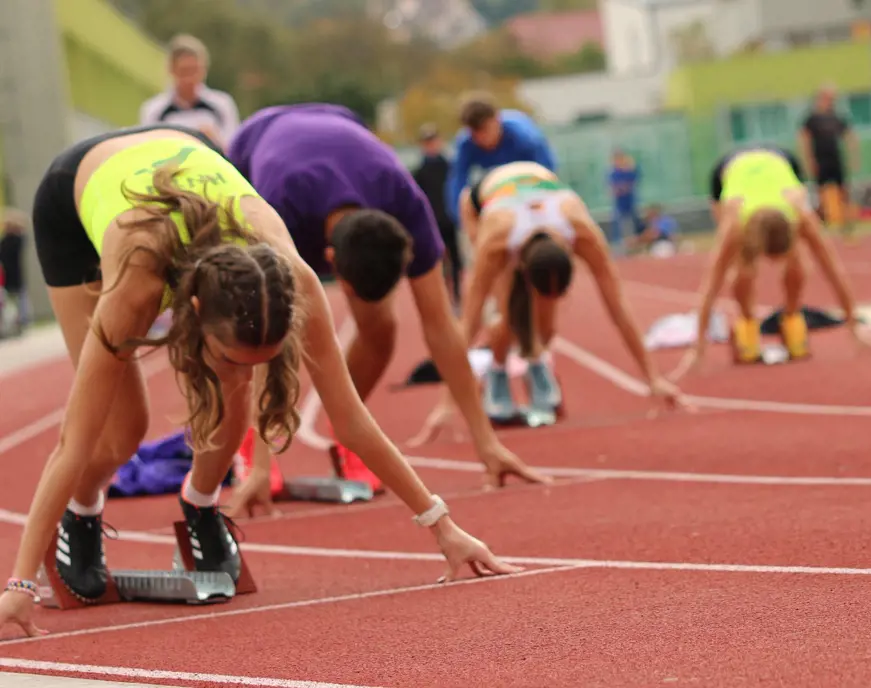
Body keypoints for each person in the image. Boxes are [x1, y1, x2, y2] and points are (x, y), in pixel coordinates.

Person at [0, 124, 520, 639]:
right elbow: (73, 441)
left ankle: (201, 504)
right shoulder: (137, 282)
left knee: (233, 396)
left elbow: (352, 420)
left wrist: (443, 526)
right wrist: (20, 583)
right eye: (236, 353)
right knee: (120, 429)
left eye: (263, 358)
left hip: (179, 148)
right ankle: (82, 514)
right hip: (74, 196)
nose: (247, 369)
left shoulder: (294, 278)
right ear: (196, 310)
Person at [224, 103, 545, 510]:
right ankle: (249, 448)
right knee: (246, 323)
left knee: (381, 330)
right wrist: (261, 465)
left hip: (341, 121)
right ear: (332, 265)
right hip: (251, 148)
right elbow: (266, 333)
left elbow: (442, 326)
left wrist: (487, 442)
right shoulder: (278, 209)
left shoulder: (406, 203)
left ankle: (349, 436)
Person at [412, 161, 687, 440]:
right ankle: (497, 371)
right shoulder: (496, 241)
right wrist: (447, 403)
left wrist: (653, 377)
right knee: (507, 316)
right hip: (480, 206)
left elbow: (618, 307)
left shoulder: (582, 233)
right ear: (524, 269)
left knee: (545, 328)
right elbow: (467, 325)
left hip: (536, 194)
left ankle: (536, 362)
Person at [671, 146, 871, 380]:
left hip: (781, 159)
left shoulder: (800, 215)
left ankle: (791, 317)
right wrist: (698, 347)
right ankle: (747, 322)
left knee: (797, 263)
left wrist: (853, 324)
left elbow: (832, 268)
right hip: (728, 168)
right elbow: (711, 282)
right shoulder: (735, 222)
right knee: (742, 268)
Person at [445, 92, 556, 225]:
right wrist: (462, 218)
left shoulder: (523, 136)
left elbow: (547, 170)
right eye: (476, 134)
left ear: (496, 120)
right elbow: (458, 180)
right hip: (496, 190)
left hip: (527, 183)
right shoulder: (466, 144)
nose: (482, 139)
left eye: (486, 130)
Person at [139, 34, 241, 152]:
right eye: (184, 71)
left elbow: (234, 154)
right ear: (171, 70)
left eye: (195, 70)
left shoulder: (223, 104)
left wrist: (214, 139)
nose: (190, 79)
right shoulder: (153, 109)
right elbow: (148, 153)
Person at [798, 84, 860, 237]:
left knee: (843, 192)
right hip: (820, 159)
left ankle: (847, 225)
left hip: (835, 158)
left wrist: (854, 156)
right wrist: (809, 160)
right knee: (820, 194)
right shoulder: (812, 118)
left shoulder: (837, 117)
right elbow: (804, 139)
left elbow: (849, 136)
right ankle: (820, 225)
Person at [412, 124, 462, 308]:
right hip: (432, 223)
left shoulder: (450, 167)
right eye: (427, 142)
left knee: (456, 260)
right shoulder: (419, 172)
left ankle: (457, 297)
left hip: (450, 220)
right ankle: (443, 299)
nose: (431, 145)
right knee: (437, 262)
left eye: (433, 141)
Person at [0, 208, 29, 336]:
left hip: (13, 273)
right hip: (8, 274)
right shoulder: (7, 241)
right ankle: (13, 323)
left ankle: (20, 322)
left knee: (19, 299)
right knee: (12, 300)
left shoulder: (16, 240)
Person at [608, 149, 642, 251]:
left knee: (633, 222)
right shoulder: (614, 173)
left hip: (630, 202)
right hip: (620, 204)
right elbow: (613, 188)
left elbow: (632, 183)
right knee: (619, 224)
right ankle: (620, 245)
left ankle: (636, 244)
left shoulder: (629, 171)